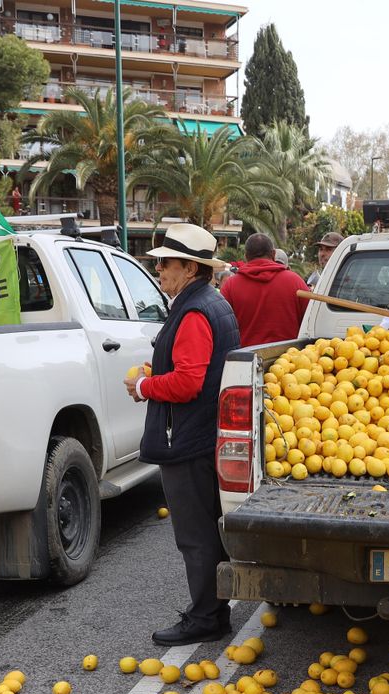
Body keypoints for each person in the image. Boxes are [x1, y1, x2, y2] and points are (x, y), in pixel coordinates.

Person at [127, 223, 241, 645]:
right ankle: (215, 610)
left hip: (187, 437)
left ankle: (206, 618)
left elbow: (189, 382)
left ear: (190, 268)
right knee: (208, 531)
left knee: (194, 536)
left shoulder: (194, 312)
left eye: (166, 264)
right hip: (204, 433)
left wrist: (144, 386)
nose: (159, 271)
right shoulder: (213, 303)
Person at [219, 233, 309, 347]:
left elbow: (221, 328)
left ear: (246, 256)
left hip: (245, 360)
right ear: (273, 254)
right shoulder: (296, 282)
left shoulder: (230, 286)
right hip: (288, 360)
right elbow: (311, 321)